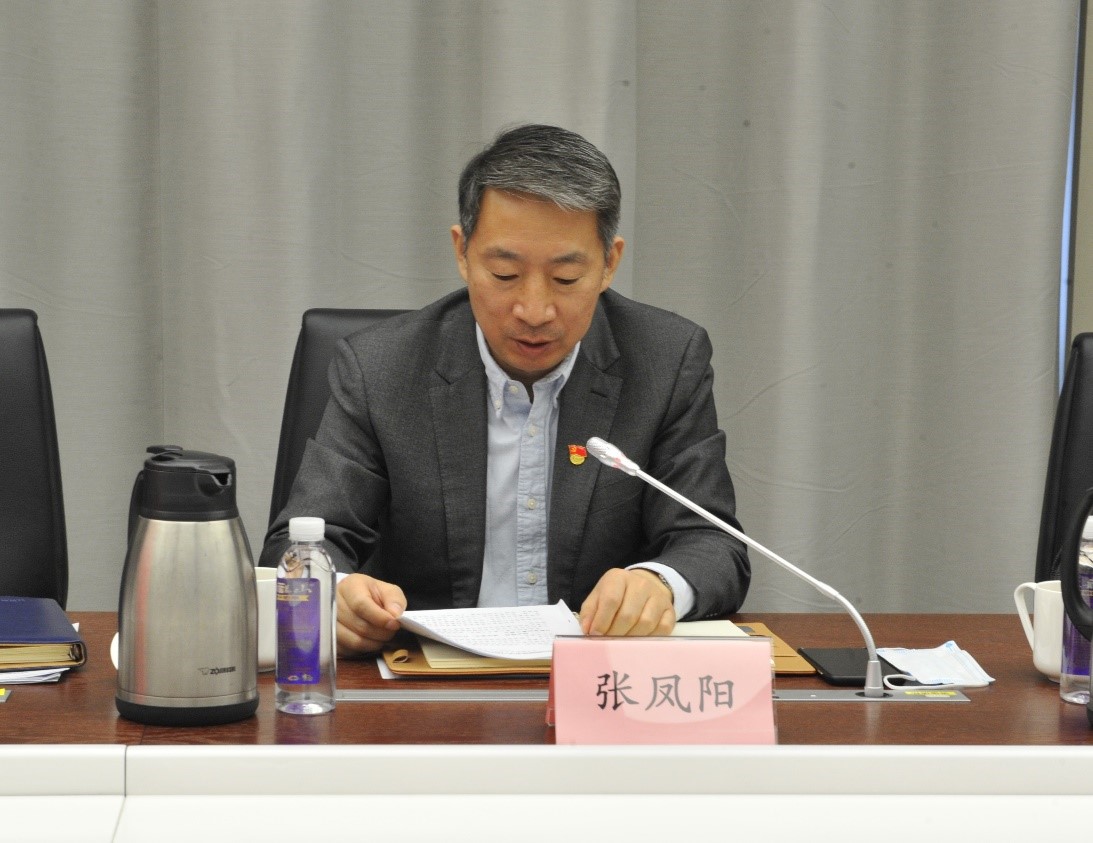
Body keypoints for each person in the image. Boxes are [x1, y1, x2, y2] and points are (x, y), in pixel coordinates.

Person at [260, 124, 750, 655]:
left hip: (597, 675)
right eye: (504, 274)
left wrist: (658, 584)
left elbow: (712, 543)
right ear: (462, 253)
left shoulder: (665, 360)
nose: (534, 311)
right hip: (428, 681)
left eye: (565, 280)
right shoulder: (381, 368)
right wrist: (333, 593)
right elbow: (300, 543)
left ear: (609, 263)